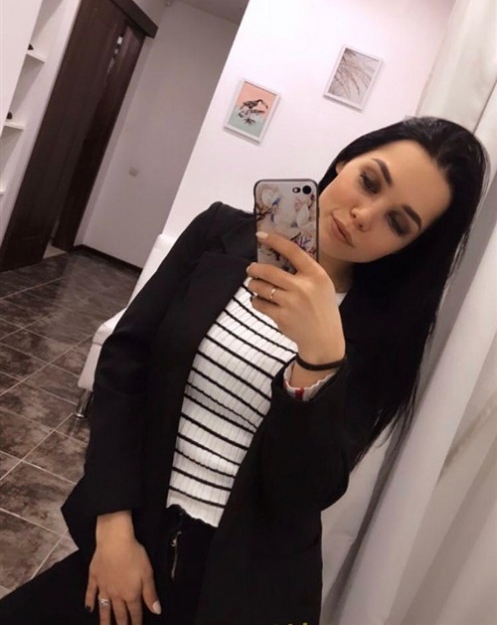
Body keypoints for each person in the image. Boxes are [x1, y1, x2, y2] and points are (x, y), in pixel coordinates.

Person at [0, 117, 488, 625]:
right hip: (134, 530)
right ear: (346, 161)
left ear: (409, 246)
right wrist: (113, 527)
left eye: (398, 223)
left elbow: (301, 495)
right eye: (369, 181)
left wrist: (320, 359)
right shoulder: (220, 234)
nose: (364, 215)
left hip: (239, 587)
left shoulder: (381, 336)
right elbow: (126, 365)